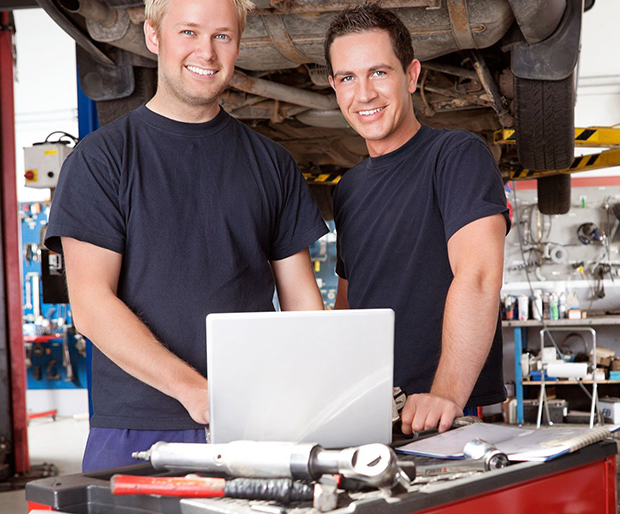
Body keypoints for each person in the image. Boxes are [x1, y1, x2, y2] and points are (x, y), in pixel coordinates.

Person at [44, 0, 329, 472]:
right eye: (189, 32)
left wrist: (318, 398)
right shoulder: (101, 161)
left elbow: (301, 302)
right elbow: (91, 305)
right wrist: (195, 391)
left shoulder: (271, 163)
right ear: (153, 36)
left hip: (254, 424)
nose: (207, 52)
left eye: (222, 36)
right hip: (137, 429)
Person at [324, 4, 510, 435]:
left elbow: (479, 276)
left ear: (410, 75)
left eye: (378, 72)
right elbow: (349, 301)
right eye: (348, 78)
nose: (364, 94)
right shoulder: (349, 188)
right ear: (334, 87)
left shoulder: (456, 156)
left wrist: (446, 395)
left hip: (444, 411)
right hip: (371, 411)